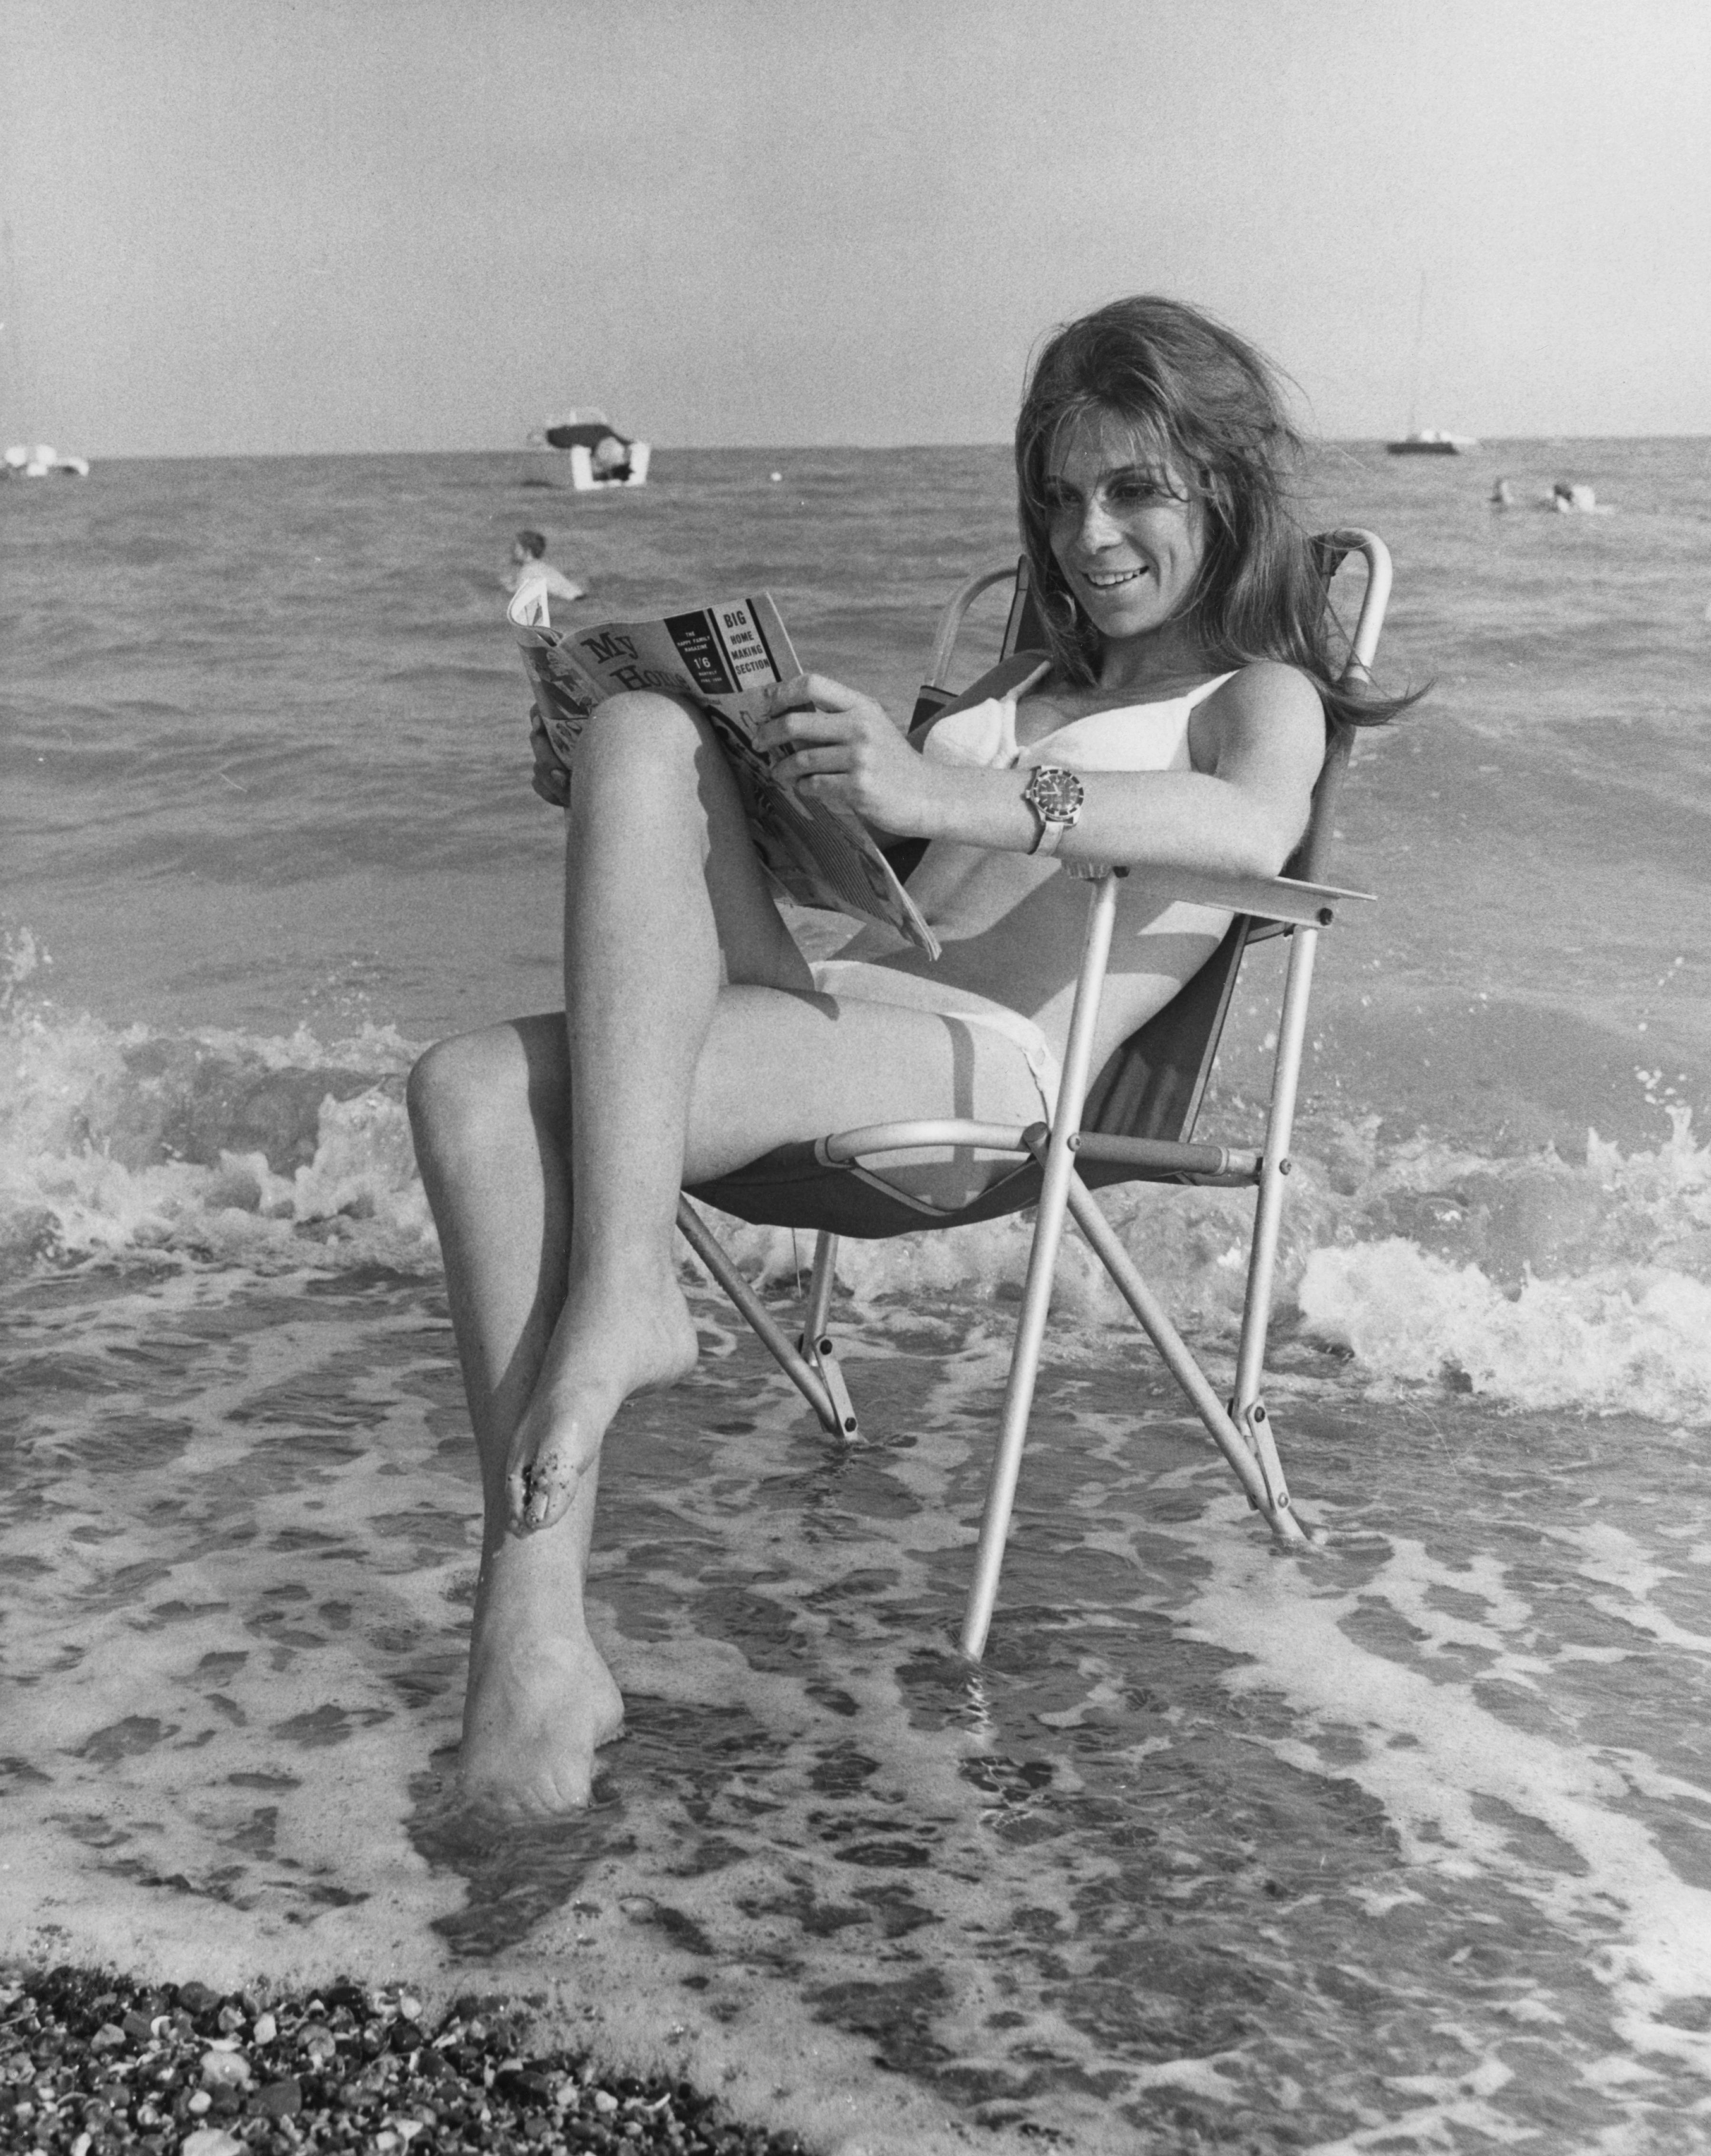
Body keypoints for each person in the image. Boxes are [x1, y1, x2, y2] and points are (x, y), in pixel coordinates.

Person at [409, 295, 1409, 1819]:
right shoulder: (1014, 694)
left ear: (1225, 487)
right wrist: (811, 791)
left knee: (485, 1098)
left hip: (981, 1081)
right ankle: (542, 1622)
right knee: (632, 741)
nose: (1092, 534)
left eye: (1136, 490)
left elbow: (1248, 833)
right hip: (844, 1002)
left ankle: (532, 1624)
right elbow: (894, 897)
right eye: (1063, 496)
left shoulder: (1249, 700)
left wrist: (977, 799)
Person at [505, 530, 585, 602]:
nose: (513, 552)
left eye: (517, 548)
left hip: (570, 601)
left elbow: (520, 595)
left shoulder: (528, 571)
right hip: (578, 595)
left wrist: (507, 587)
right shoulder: (541, 566)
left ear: (528, 552)